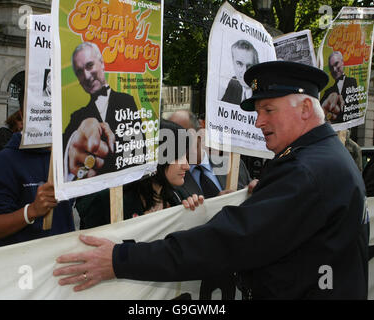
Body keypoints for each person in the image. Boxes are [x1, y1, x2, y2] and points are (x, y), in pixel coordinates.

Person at [54, 61, 369, 299]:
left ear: (304, 109)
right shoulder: (322, 158)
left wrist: (119, 259)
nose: (258, 121)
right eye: (257, 111)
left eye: (268, 109)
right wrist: (270, 199)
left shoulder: (306, 171)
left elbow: (225, 243)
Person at [76, 119, 203, 228]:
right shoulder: (109, 203)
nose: (186, 166)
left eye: (185, 156)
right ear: (156, 158)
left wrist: (194, 213)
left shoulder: (181, 197)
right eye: (178, 157)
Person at [63, 42, 144, 182]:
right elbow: (64, 156)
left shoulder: (126, 101)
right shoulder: (76, 117)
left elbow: (138, 150)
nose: (87, 76)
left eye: (89, 66)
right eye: (80, 72)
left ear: (102, 63)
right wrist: (72, 145)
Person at [0, 132, 75, 248]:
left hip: (62, 256)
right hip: (22, 261)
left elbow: (66, 211)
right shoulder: (3, 162)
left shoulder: (65, 155)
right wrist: (31, 211)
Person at [168, 110, 251, 199]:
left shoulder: (234, 164)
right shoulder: (172, 178)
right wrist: (215, 205)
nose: (175, 140)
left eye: (181, 134)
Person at [320, 51, 358, 123]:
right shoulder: (327, 92)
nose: (334, 69)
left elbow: (356, 109)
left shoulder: (352, 82)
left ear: (343, 62)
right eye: (331, 67)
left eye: (336, 64)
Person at [221, 40, 259, 105]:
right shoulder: (234, 82)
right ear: (233, 63)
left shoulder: (258, 88)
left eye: (249, 66)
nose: (244, 71)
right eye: (239, 64)